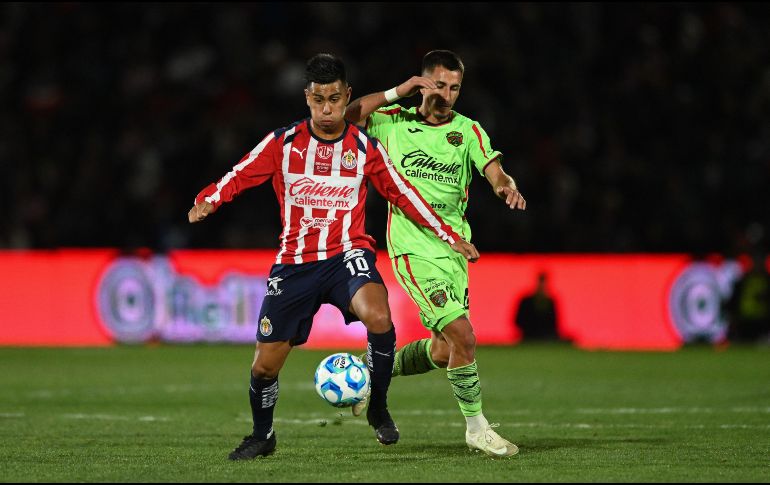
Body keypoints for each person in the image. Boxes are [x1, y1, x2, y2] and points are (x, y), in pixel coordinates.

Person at [188, 53, 480, 460]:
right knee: (264, 367)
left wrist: (448, 234)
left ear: (347, 96)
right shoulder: (283, 143)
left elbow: (405, 194)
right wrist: (209, 199)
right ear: (307, 98)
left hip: (348, 254)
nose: (327, 110)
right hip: (295, 263)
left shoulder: (365, 147)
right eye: (318, 100)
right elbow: (241, 173)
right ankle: (262, 435)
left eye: (335, 100)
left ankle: (378, 407)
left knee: (379, 317)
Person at [345, 50, 525, 457]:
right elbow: (349, 115)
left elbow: (496, 171)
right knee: (464, 335)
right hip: (413, 249)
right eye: (439, 85)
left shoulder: (468, 130)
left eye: (455, 87)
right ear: (423, 83)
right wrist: (398, 91)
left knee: (445, 350)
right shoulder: (393, 122)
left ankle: (374, 369)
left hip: (456, 250)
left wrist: (504, 187)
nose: (447, 94)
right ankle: (477, 428)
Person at [515, 271, 560, 341]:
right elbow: (518, 321)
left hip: (547, 338)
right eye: (540, 284)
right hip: (528, 337)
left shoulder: (551, 302)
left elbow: (555, 324)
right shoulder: (526, 301)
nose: (542, 287)